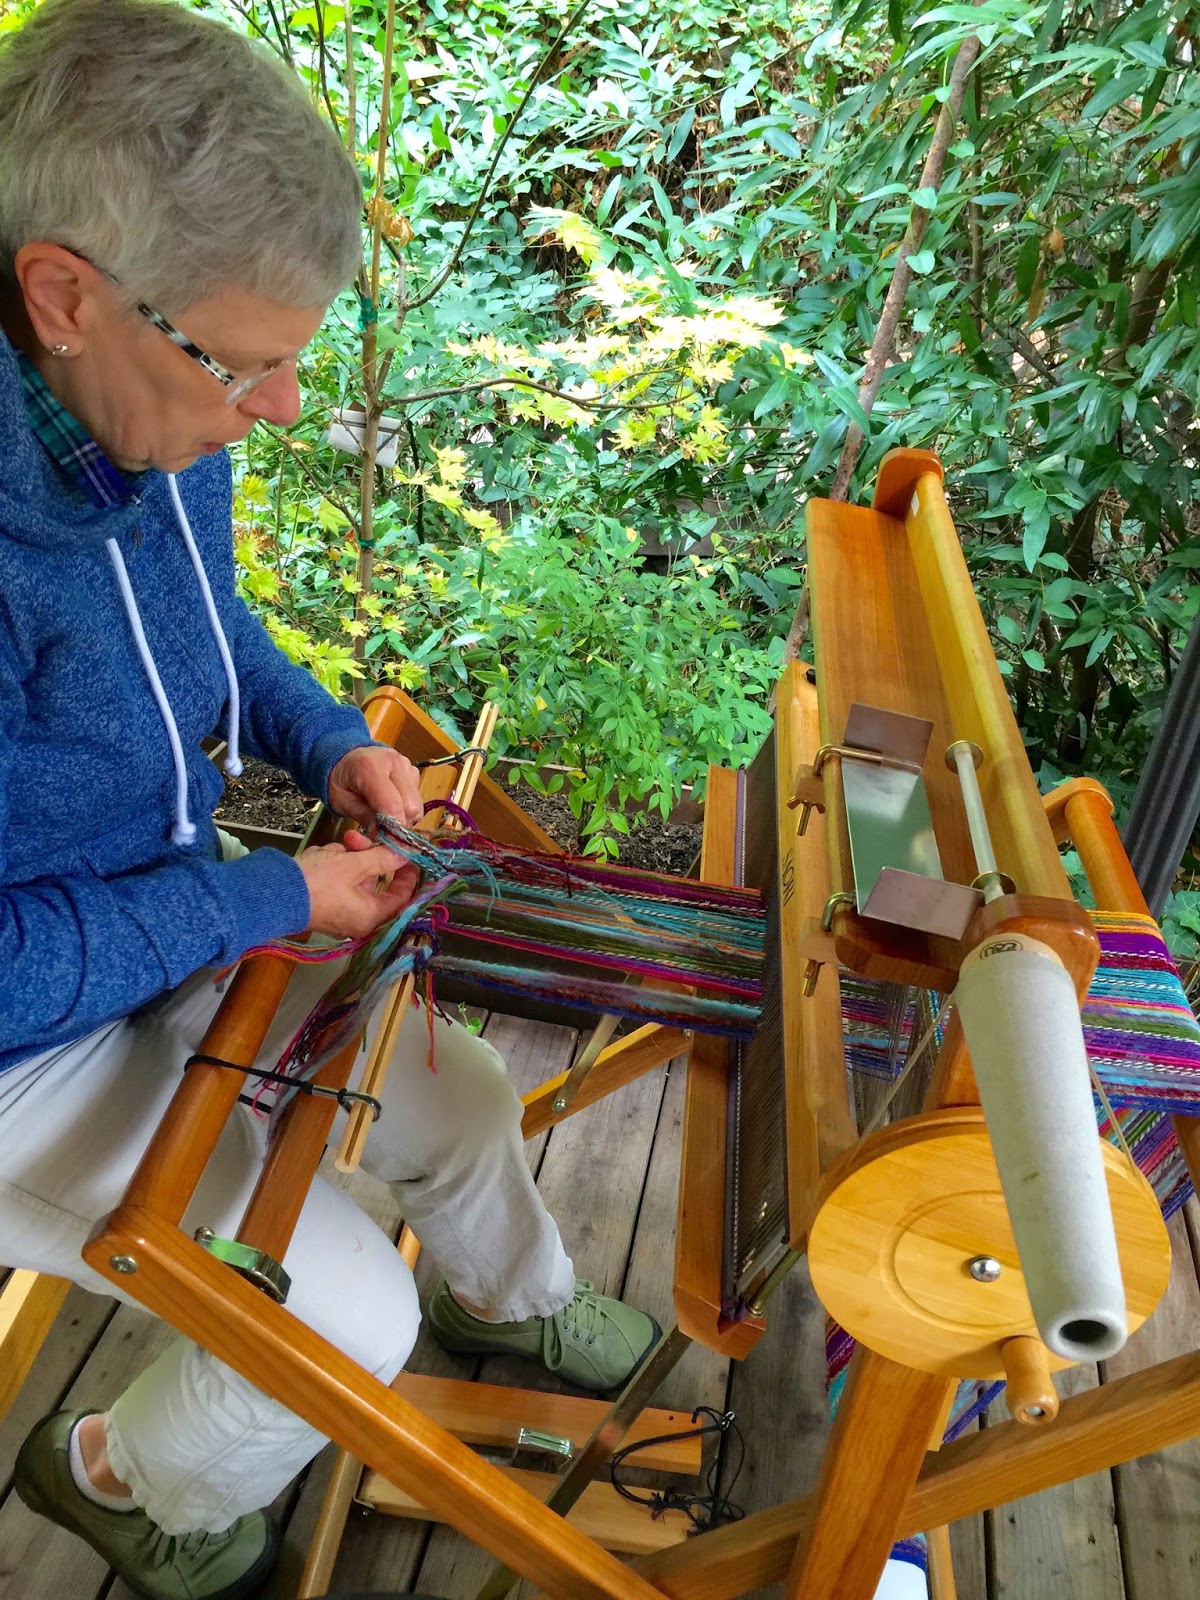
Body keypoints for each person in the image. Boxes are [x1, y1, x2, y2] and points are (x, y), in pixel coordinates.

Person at [0, 4, 658, 1597]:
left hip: (159, 903)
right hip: (24, 1037)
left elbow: (209, 625)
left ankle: (511, 1299)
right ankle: (118, 1478)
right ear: (65, 293)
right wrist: (271, 902)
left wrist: (325, 748)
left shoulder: (139, 414)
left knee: (469, 1101)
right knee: (340, 1315)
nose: (282, 406)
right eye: (254, 362)